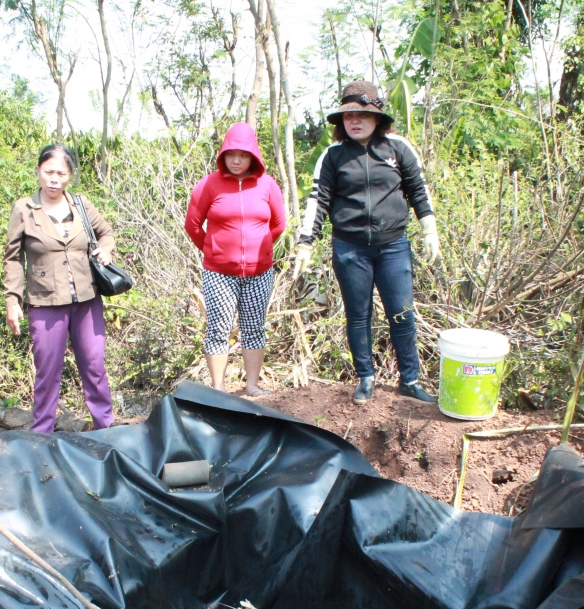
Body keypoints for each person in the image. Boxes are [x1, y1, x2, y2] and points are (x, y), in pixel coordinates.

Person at [295, 81, 442, 405]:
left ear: (378, 118)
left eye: (362, 114)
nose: (355, 120)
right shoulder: (333, 156)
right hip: (350, 248)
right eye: (348, 115)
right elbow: (318, 200)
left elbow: (419, 190)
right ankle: (365, 377)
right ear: (341, 121)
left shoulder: (398, 148)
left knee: (402, 313)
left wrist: (429, 228)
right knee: (357, 314)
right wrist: (306, 243)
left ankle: (410, 380)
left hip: (393, 246)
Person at [3, 145, 115, 433]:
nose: (54, 179)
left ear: (70, 176)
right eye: (48, 171)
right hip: (45, 302)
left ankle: (105, 427)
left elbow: (106, 233)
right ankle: (42, 435)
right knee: (48, 371)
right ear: (38, 172)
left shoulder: (81, 205)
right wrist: (12, 300)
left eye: (61, 173)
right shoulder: (23, 209)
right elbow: (13, 258)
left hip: (87, 299)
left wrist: (106, 250)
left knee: (94, 366)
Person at [184, 122, 286, 396]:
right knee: (218, 329)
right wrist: (213, 250)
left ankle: (252, 385)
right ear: (223, 155)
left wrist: (261, 251)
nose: (237, 160)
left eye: (243, 154)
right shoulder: (208, 185)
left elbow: (278, 224)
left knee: (254, 328)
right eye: (231, 154)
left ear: (253, 155)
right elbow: (193, 225)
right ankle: (218, 390)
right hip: (219, 274)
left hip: (259, 273)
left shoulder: (267, 185)